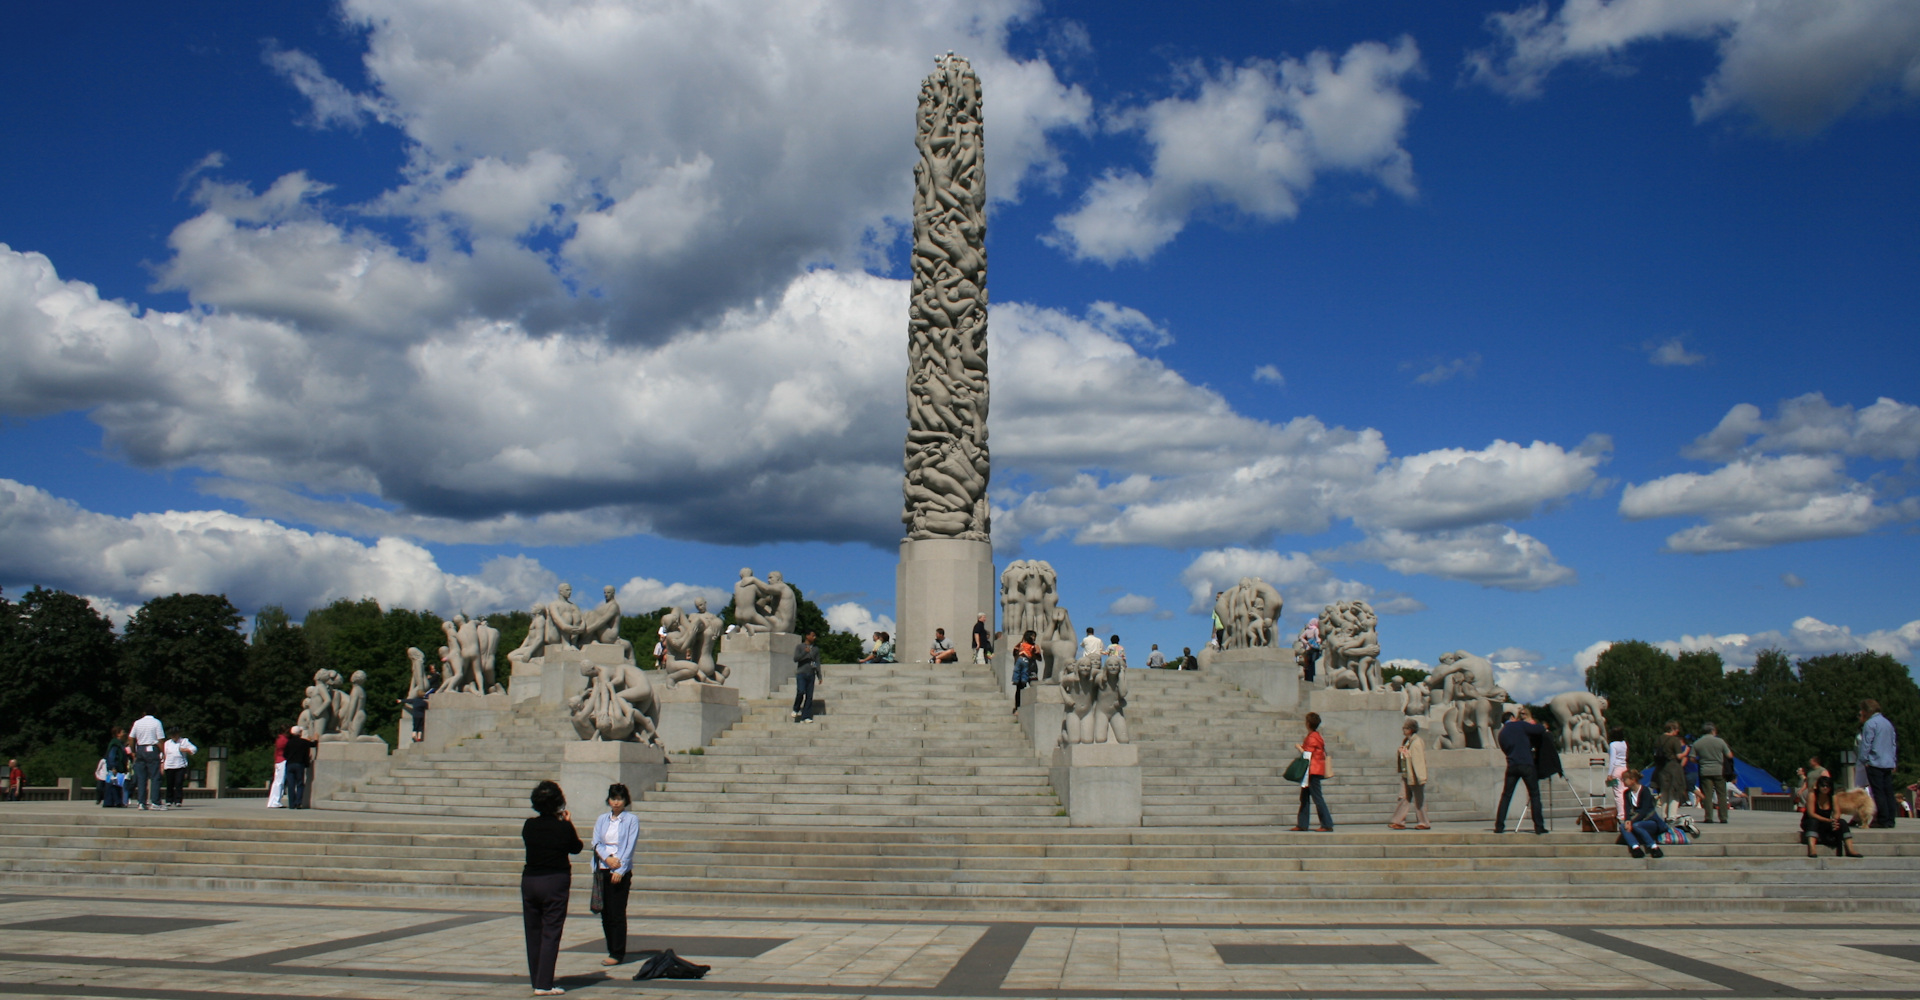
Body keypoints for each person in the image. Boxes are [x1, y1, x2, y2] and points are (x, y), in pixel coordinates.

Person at [521, 780, 581, 995]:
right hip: (555, 880)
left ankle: (537, 979)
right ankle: (544, 984)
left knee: (533, 931)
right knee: (551, 932)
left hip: (530, 880)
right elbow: (576, 847)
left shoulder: (529, 825)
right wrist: (568, 823)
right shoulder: (562, 827)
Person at [593, 783, 639, 967]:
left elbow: (629, 846)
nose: (616, 802)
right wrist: (607, 858)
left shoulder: (631, 820)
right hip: (603, 868)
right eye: (613, 798)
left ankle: (618, 952)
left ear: (625, 800)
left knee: (617, 912)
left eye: (619, 799)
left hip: (621, 869)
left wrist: (619, 869)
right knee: (605, 912)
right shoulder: (602, 819)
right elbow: (596, 842)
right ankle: (610, 948)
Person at [1494, 707, 1548, 835]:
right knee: (1534, 795)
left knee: (1506, 796)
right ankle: (1539, 826)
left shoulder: (1501, 734)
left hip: (1512, 765)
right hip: (1526, 764)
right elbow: (1538, 729)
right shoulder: (1519, 725)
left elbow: (1505, 749)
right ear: (1512, 718)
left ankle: (1499, 826)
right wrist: (1543, 726)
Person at [1858, 699, 1899, 828]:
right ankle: (1890, 819)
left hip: (1875, 761)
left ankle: (1882, 819)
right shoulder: (1888, 723)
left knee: (1878, 792)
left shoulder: (1870, 724)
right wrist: (1893, 760)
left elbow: (1866, 744)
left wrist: (1863, 759)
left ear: (1866, 711)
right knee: (1888, 791)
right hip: (1887, 761)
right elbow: (1893, 744)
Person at [1801, 774, 1862, 858]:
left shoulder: (1833, 797)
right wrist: (1828, 821)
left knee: (1842, 822)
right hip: (1812, 821)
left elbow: (1837, 812)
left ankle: (1850, 849)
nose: (1825, 788)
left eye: (1828, 786)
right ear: (1818, 786)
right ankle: (1812, 849)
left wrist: (1835, 820)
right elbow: (1811, 813)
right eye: (1822, 785)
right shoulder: (1812, 795)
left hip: (1826, 822)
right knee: (1813, 821)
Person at [1291, 712, 1333, 832]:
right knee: (1304, 797)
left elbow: (1307, 754)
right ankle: (1302, 824)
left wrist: (1299, 747)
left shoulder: (1312, 737)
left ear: (1308, 723)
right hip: (1313, 769)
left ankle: (1326, 824)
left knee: (1317, 798)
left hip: (1312, 770)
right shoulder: (1317, 736)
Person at [1618, 768, 1668, 859]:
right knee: (1622, 826)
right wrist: (1627, 821)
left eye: (1624, 779)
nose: (1623, 781)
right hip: (1636, 821)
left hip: (1650, 821)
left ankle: (1653, 847)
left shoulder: (1645, 791)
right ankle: (1635, 847)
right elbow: (1627, 809)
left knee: (1637, 825)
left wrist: (1630, 822)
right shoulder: (1627, 793)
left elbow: (1644, 811)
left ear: (1633, 780)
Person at [1389, 719, 1429, 829]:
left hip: (1415, 775)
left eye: (1405, 728)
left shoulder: (1417, 742)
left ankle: (1424, 822)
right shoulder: (1407, 741)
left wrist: (1421, 777)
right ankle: (1399, 821)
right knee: (1403, 797)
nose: (1403, 730)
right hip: (1407, 774)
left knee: (1419, 799)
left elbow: (1419, 760)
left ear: (1410, 730)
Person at [1691, 723, 1732, 824]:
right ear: (1713, 731)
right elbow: (1730, 755)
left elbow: (1691, 758)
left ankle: (1708, 817)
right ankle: (1723, 817)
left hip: (1704, 771)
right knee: (1721, 794)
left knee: (1707, 795)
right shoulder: (1720, 741)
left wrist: (1700, 761)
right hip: (1718, 770)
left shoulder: (1697, 743)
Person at [128, 709, 166, 811]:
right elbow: (161, 739)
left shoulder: (137, 722)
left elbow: (131, 738)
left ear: (143, 713)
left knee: (141, 778)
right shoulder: (157, 723)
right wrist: (164, 753)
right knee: (155, 777)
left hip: (140, 748)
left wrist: (133, 751)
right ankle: (155, 802)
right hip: (152, 748)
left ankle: (141, 802)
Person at [1654, 721, 1690, 821]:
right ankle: (1672, 815)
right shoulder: (1674, 740)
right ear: (1673, 729)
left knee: (1664, 792)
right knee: (1674, 792)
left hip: (1661, 768)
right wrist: (1686, 752)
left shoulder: (1658, 739)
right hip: (1673, 767)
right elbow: (1679, 756)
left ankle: (1664, 815)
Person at [160, 733, 197, 808]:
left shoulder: (184, 741)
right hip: (169, 765)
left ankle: (178, 800)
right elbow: (163, 754)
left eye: (175, 735)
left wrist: (185, 750)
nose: (174, 737)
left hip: (180, 765)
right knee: (170, 784)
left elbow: (194, 749)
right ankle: (169, 800)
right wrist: (162, 765)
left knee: (179, 783)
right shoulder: (167, 743)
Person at [791, 631, 822, 722]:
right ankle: (796, 708)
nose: (814, 637)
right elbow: (795, 659)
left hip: (811, 674)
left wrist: (819, 675)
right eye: (813, 636)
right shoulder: (800, 647)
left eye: (815, 636)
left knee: (809, 695)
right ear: (807, 636)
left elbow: (817, 662)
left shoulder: (815, 649)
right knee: (801, 691)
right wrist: (805, 652)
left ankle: (806, 716)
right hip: (801, 673)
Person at [282, 726, 314, 809]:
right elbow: (313, 744)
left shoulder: (289, 742)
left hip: (289, 764)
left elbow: (285, 755)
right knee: (300, 784)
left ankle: (291, 804)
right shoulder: (303, 742)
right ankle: (298, 802)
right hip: (299, 764)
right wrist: (316, 739)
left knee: (291, 785)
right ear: (300, 733)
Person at [1605, 726, 1629, 821]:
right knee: (1625, 791)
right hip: (1624, 768)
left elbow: (1612, 760)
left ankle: (1621, 814)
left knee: (1618, 793)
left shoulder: (1613, 745)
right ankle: (1628, 811)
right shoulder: (1624, 744)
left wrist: (1609, 774)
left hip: (1616, 769)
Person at [1011, 630, 1038, 714]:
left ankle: (1034, 705)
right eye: (1032, 636)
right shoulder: (1019, 645)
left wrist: (1034, 653)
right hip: (1022, 669)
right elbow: (1015, 655)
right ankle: (1018, 707)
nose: (1034, 638)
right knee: (1020, 688)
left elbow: (1039, 657)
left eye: (1034, 636)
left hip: (1032, 668)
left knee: (1034, 686)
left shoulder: (1034, 646)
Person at [102, 728, 127, 808]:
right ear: (118, 734)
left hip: (118, 768)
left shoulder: (119, 744)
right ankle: (115, 802)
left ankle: (113, 802)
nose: (124, 733)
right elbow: (112, 756)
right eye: (123, 732)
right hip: (114, 768)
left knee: (116, 785)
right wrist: (113, 767)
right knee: (113, 786)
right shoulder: (115, 744)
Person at [266, 726, 291, 808]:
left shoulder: (279, 739)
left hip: (278, 760)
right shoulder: (285, 740)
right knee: (280, 782)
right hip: (283, 760)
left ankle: (272, 801)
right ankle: (276, 801)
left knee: (276, 782)